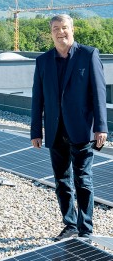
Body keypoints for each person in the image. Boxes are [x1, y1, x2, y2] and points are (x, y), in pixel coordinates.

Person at [30, 14, 108, 241]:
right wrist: (36, 131)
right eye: (56, 28)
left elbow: (99, 94)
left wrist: (101, 127)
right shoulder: (43, 61)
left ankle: (85, 228)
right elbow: (38, 99)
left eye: (64, 27)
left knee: (83, 180)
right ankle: (70, 224)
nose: (60, 32)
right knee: (61, 181)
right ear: (51, 32)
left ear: (72, 29)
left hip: (81, 129)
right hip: (55, 132)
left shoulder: (89, 55)